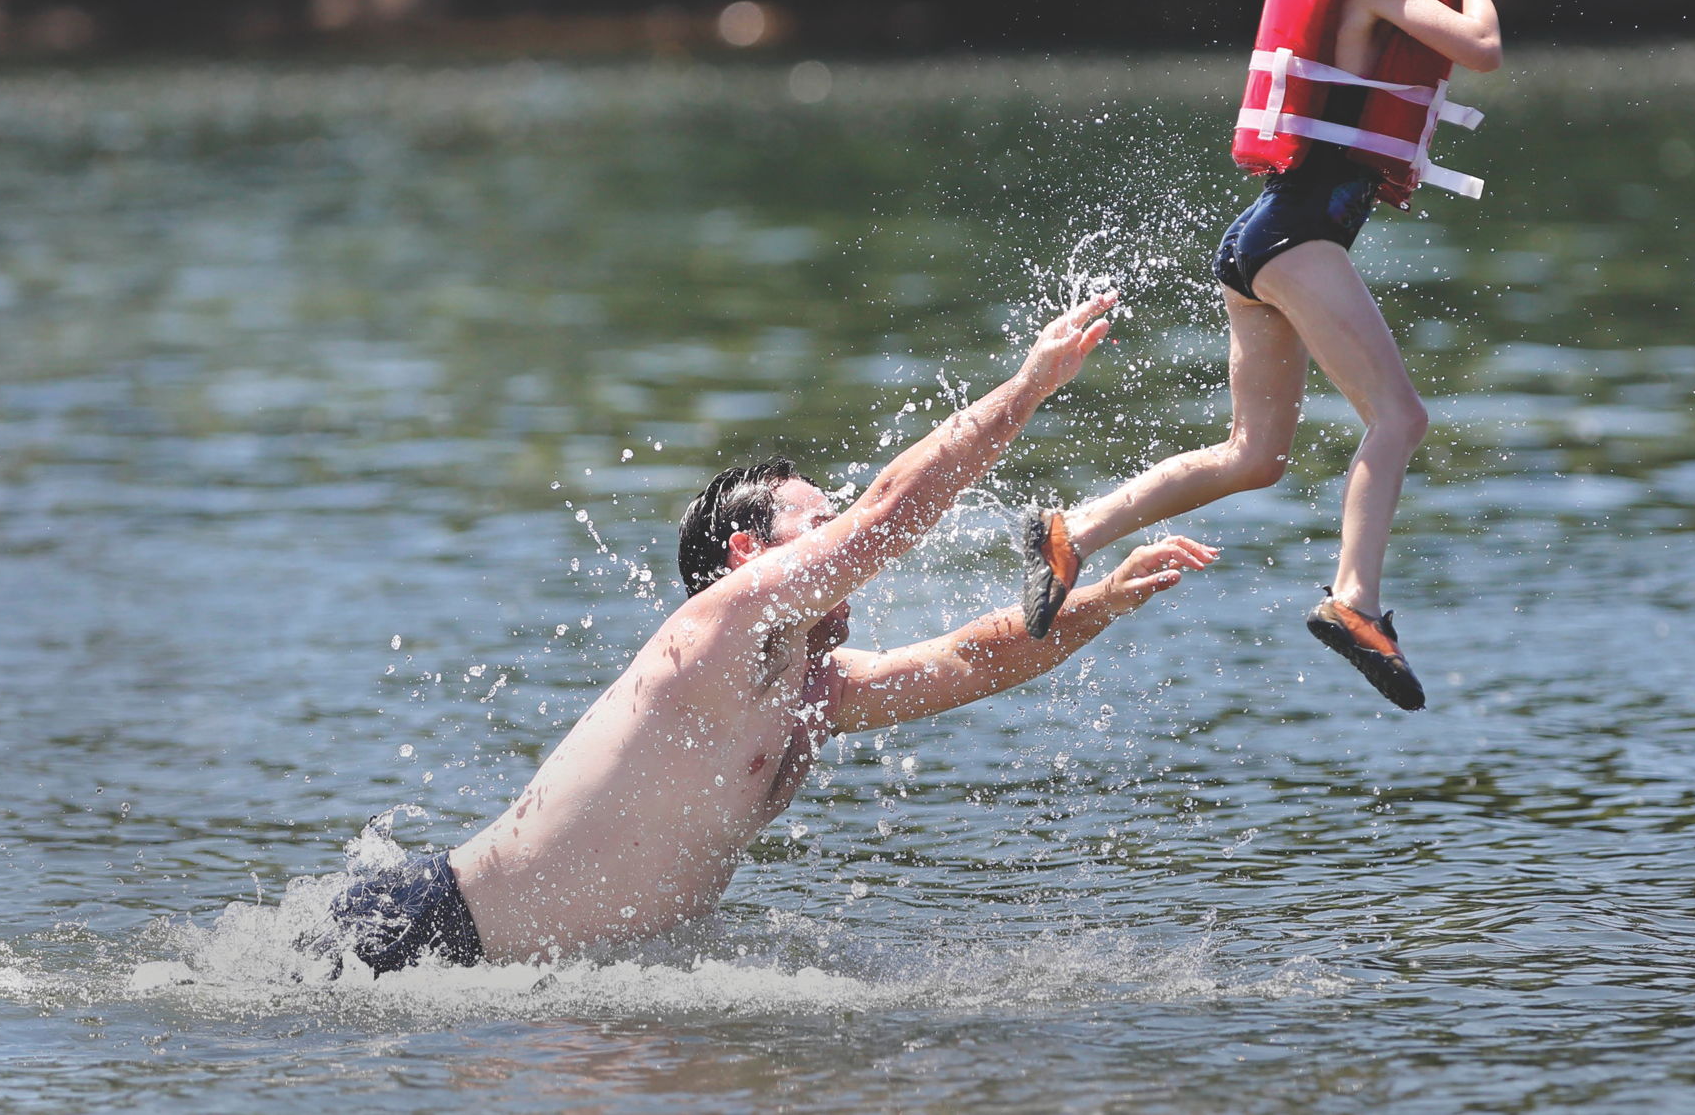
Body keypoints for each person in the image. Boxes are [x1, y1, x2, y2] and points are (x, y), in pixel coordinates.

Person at [324, 292, 1219, 974]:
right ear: (751, 554)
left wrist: (1103, 600)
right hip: (422, 939)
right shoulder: (719, 628)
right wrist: (1025, 390)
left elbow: (968, 659)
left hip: (526, 977)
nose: (837, 545)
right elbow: (885, 513)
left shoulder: (805, 686)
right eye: (814, 525)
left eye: (829, 524)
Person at [1020, 0, 1501, 712]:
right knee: (1398, 417)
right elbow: (1480, 49)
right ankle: (1354, 601)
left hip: (1269, 238)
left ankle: (1072, 529)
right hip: (1292, 238)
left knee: (1255, 457)